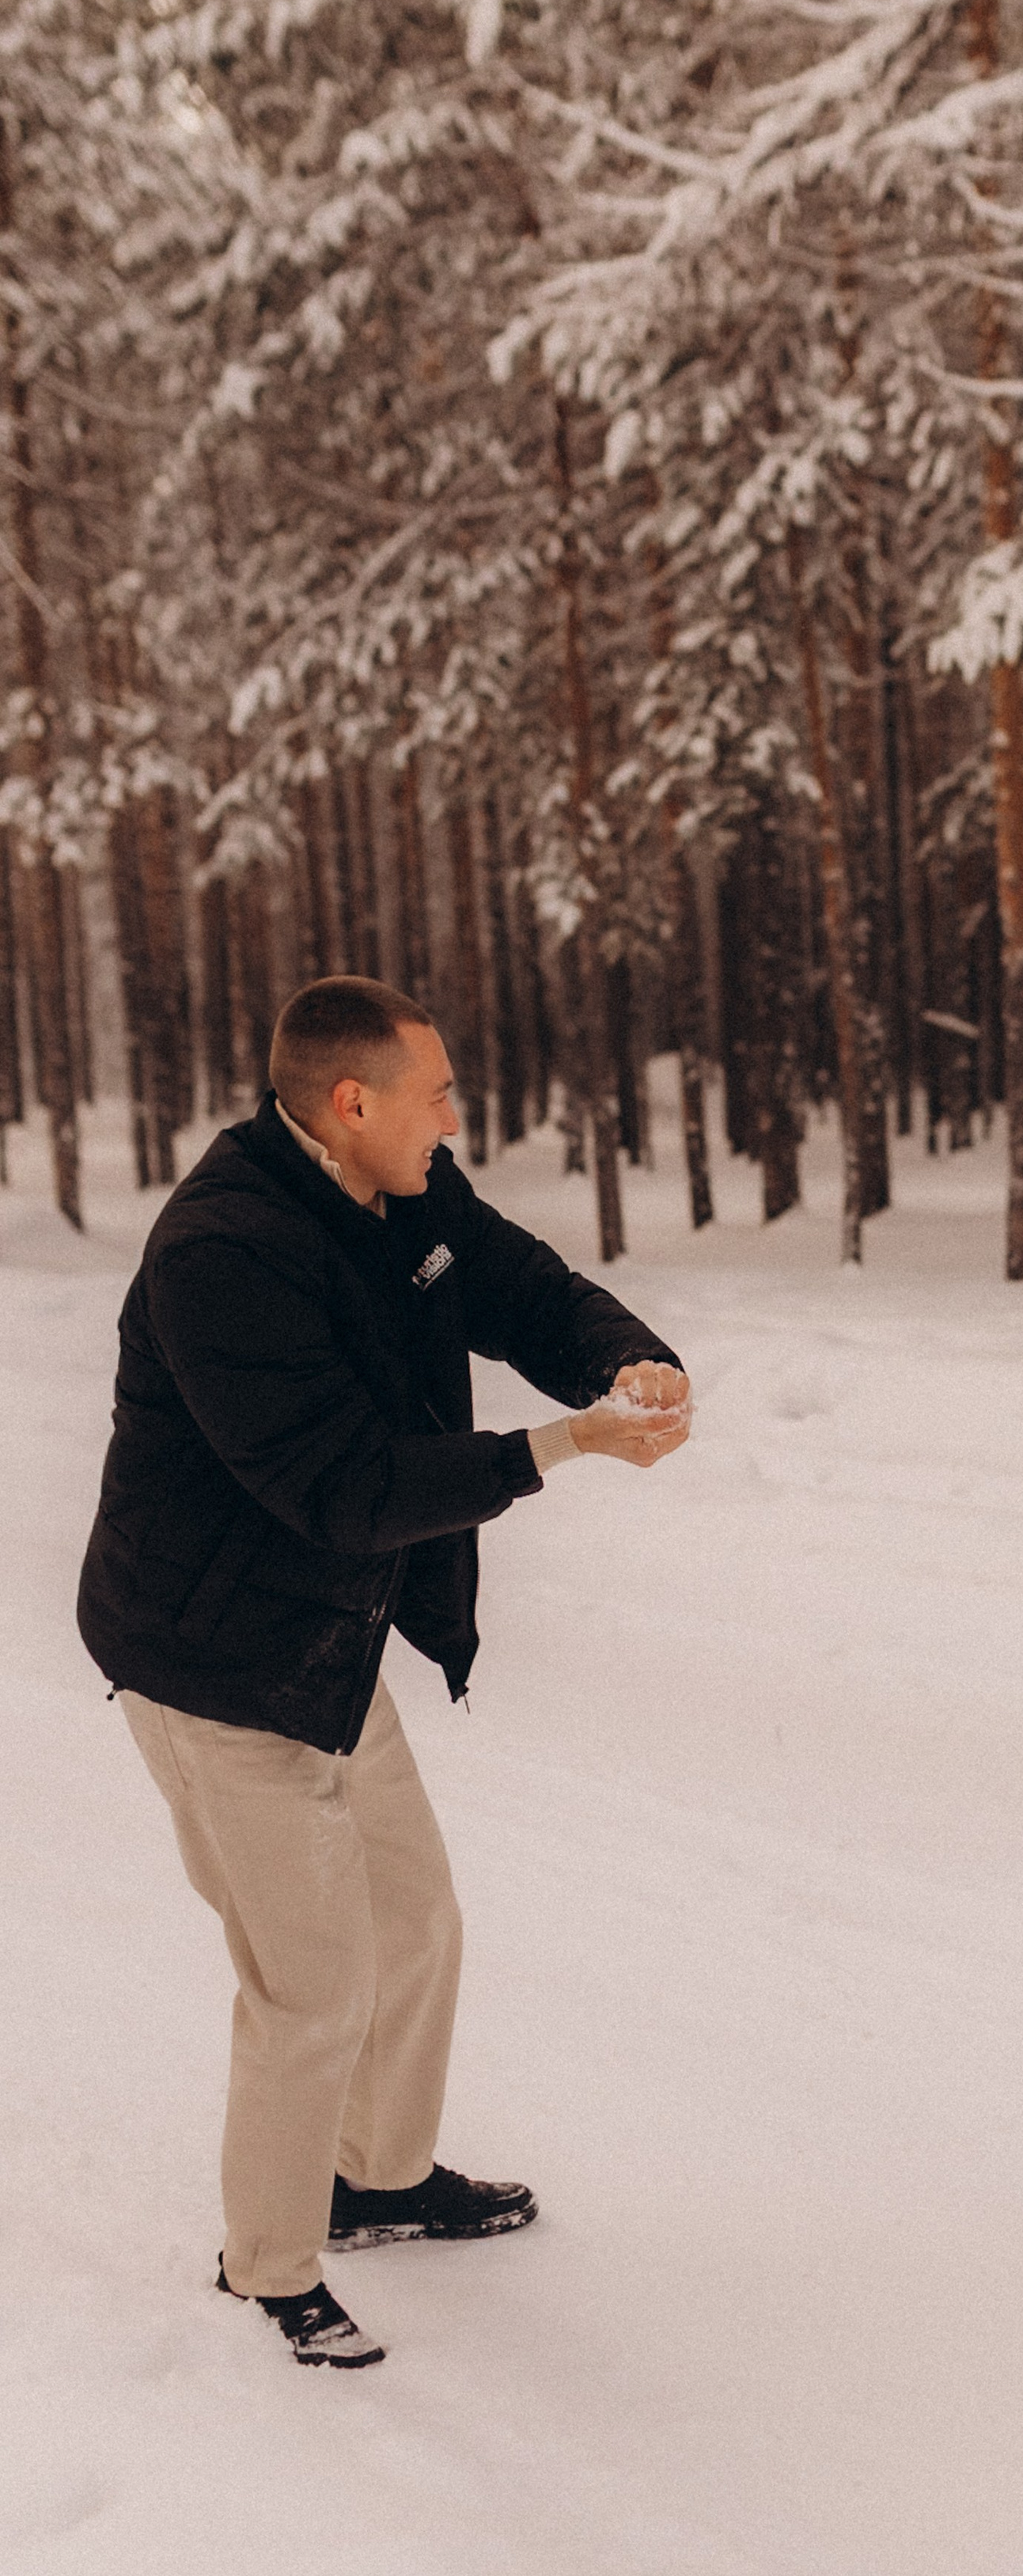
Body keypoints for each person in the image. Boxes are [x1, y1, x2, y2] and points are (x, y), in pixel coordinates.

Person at [78, 976, 693, 2366]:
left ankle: (375, 2178)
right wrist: (561, 1449)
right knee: (312, 1986)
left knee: (413, 1924)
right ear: (352, 1104)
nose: (455, 1121)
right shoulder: (223, 1252)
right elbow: (343, 1487)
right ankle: (267, 2264)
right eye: (439, 1096)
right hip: (216, 1665)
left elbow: (519, 1286)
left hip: (328, 1638)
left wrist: (627, 1359)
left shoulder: (401, 1187)